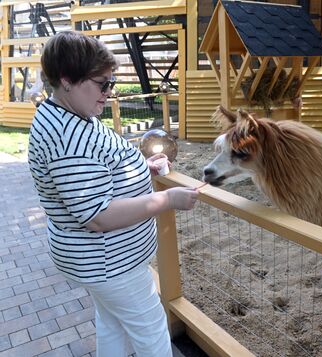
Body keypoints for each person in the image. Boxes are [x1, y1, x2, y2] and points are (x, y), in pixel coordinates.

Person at [27, 31, 197, 357]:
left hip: (100, 263)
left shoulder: (71, 114)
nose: (109, 92)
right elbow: (97, 216)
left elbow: (96, 173)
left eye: (112, 83)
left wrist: (139, 167)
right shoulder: (68, 138)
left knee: (111, 323)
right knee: (151, 332)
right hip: (109, 263)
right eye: (102, 83)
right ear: (66, 80)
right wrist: (167, 200)